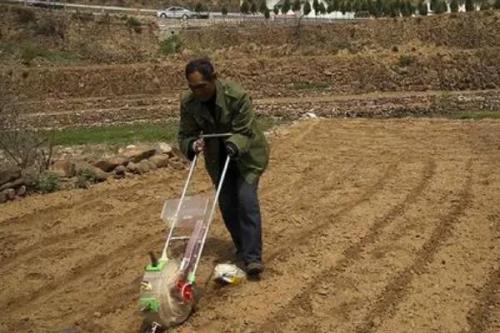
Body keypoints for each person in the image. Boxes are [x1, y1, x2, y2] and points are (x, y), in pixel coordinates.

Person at [178, 58, 269, 277]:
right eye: (193, 88)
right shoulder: (189, 103)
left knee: (246, 200)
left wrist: (233, 143)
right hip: (218, 158)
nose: (198, 92)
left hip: (247, 156)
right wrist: (192, 144)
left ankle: (253, 258)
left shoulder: (236, 96)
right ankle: (241, 246)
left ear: (214, 79)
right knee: (227, 203)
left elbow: (245, 131)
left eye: (202, 86)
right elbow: (185, 134)